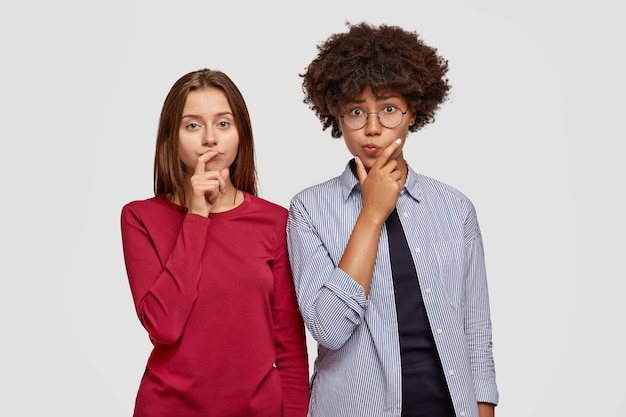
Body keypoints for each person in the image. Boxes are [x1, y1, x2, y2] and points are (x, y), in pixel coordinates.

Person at [286, 22, 498, 417]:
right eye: (355, 111)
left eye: (388, 109)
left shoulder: (455, 209)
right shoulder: (309, 210)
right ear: (335, 115)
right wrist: (371, 213)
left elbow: (476, 335)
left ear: (412, 112)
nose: (371, 128)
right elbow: (329, 329)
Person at [120, 69, 309, 417]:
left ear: (241, 135)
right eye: (193, 125)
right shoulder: (140, 217)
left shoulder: (276, 221)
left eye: (223, 124)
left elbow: (290, 348)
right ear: (171, 139)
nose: (210, 139)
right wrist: (196, 216)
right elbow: (164, 326)